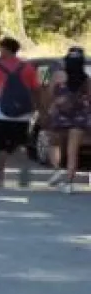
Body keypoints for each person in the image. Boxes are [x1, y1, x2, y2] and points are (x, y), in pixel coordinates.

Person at [0, 37, 40, 188]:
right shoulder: (27, 68)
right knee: (21, 144)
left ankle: (1, 178)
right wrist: (38, 109)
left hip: (1, 114)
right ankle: (24, 175)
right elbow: (35, 90)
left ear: (6, 49)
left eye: (0, 48)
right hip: (23, 115)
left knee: (0, 146)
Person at [47, 47, 90, 193]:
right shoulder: (86, 79)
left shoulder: (58, 76)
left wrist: (54, 104)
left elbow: (49, 93)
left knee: (54, 143)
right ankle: (69, 183)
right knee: (73, 151)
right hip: (79, 116)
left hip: (60, 115)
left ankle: (57, 169)